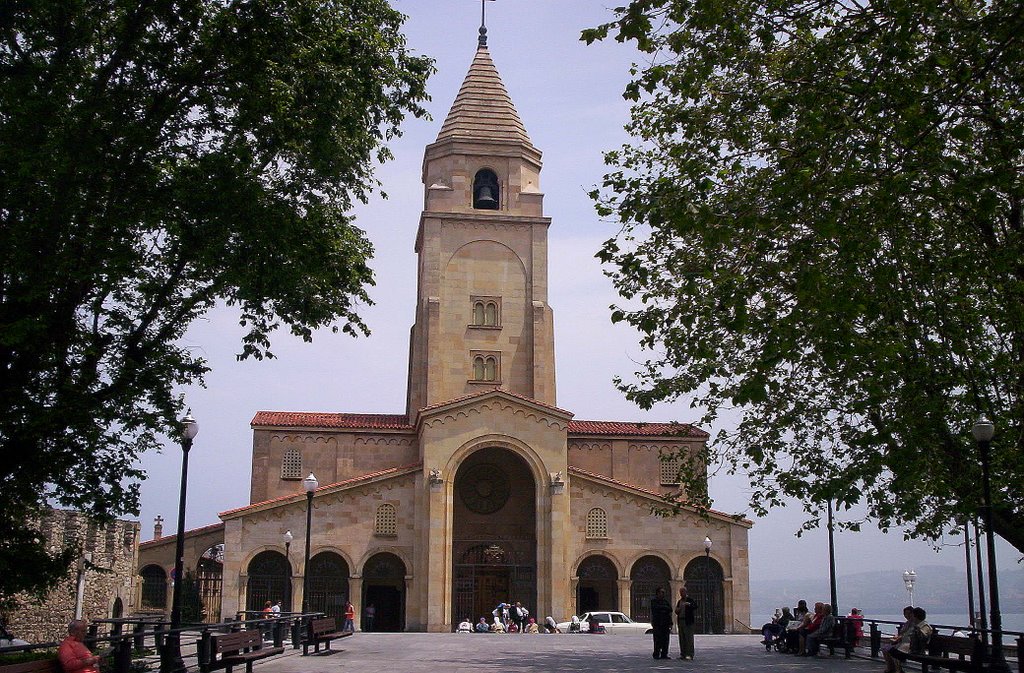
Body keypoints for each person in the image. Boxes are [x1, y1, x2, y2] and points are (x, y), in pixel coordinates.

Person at [882, 606, 917, 673]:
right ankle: (890, 667)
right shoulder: (907, 623)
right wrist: (896, 637)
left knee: (894, 650)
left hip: (908, 644)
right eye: (906, 614)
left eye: (909, 613)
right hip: (901, 642)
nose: (907, 615)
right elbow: (902, 633)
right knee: (885, 648)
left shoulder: (914, 624)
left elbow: (908, 635)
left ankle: (898, 669)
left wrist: (898, 638)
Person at [650, 587, 674, 660]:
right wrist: (664, 608)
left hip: (665, 623)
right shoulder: (653, 601)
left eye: (663, 592)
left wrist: (670, 623)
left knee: (665, 640)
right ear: (657, 593)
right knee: (657, 639)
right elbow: (655, 608)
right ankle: (656, 653)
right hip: (657, 623)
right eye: (661, 592)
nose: (662, 594)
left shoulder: (666, 601)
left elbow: (670, 609)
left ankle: (664, 654)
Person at [675, 586, 697, 660]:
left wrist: (689, 605)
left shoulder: (690, 600)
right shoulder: (679, 601)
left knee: (689, 639)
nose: (681, 594)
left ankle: (690, 654)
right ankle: (683, 654)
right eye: (680, 592)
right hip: (681, 621)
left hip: (688, 622)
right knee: (682, 638)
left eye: (682, 592)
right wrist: (678, 610)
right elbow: (676, 610)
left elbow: (695, 606)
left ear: (686, 592)